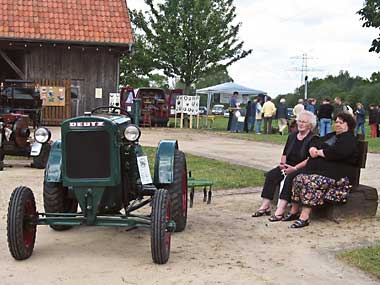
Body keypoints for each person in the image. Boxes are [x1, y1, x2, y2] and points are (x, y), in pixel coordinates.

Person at [287, 112, 358, 228]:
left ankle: (304, 218)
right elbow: (316, 140)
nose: (337, 124)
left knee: (311, 182)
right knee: (298, 178)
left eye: (341, 122)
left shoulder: (349, 139)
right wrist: (313, 148)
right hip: (325, 172)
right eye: (336, 122)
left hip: (339, 176)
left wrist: (320, 152)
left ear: (348, 125)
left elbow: (339, 153)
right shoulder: (333, 135)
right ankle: (294, 212)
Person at [252, 111, 317, 220]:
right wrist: (282, 164)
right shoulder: (292, 136)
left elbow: (309, 159)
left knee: (290, 178)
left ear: (310, 125)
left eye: (304, 122)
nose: (300, 124)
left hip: (302, 167)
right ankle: (265, 206)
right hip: (288, 165)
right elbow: (285, 153)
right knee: (272, 174)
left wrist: (294, 168)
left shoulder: (313, 138)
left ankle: (280, 210)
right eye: (299, 121)